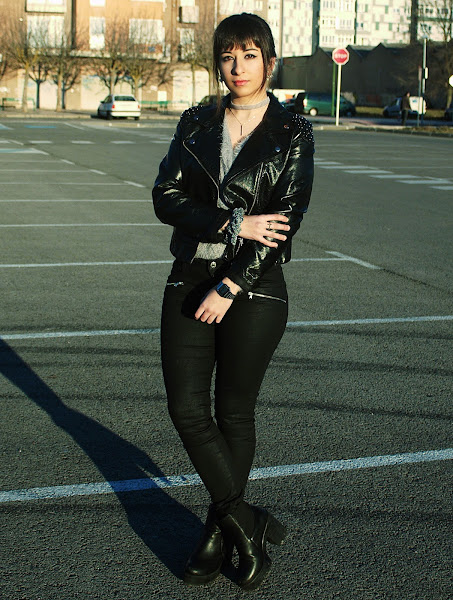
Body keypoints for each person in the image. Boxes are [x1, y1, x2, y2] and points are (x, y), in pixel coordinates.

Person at [152, 12, 314, 591]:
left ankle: (217, 533)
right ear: (218, 63)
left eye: (249, 55)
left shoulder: (292, 130)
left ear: (268, 61)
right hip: (189, 274)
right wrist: (233, 222)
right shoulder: (196, 121)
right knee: (185, 408)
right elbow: (166, 197)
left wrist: (230, 286)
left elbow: (286, 220)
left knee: (234, 413)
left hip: (255, 287)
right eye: (228, 56)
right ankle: (245, 522)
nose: (238, 67)